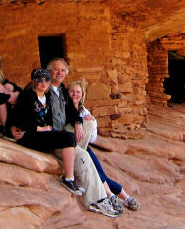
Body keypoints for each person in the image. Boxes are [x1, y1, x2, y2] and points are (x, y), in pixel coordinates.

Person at [46, 58, 119, 218]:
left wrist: (78, 123)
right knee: (84, 157)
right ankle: (96, 200)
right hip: (53, 137)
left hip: (64, 134)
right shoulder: (44, 87)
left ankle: (75, 151)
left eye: (62, 70)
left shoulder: (61, 90)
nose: (59, 73)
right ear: (49, 71)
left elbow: (71, 112)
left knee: (89, 123)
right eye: (56, 69)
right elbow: (29, 102)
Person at [68, 80, 140, 212]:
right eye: (71, 91)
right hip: (72, 147)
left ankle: (126, 197)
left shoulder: (84, 111)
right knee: (95, 173)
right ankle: (111, 195)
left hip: (84, 147)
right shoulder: (64, 108)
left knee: (102, 174)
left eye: (78, 92)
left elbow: (93, 138)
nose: (74, 94)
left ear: (82, 94)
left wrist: (91, 123)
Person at [8, 68, 83, 195]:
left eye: (47, 80)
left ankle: (70, 178)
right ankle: (68, 179)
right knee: (68, 138)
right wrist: (39, 128)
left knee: (70, 138)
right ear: (34, 81)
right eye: (40, 80)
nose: (44, 83)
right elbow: (20, 119)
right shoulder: (27, 96)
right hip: (29, 135)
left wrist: (78, 121)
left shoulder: (46, 97)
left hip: (42, 134)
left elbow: (58, 114)